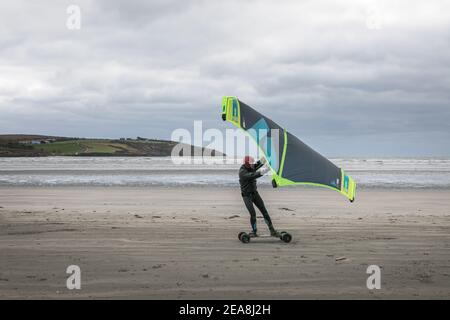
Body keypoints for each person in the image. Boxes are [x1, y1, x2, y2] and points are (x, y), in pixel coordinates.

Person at [239, 156, 278, 236]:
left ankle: (272, 230)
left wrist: (269, 157)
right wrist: (266, 170)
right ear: (247, 164)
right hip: (247, 196)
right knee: (253, 214)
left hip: (255, 194)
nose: (253, 165)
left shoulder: (251, 166)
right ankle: (254, 231)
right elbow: (253, 175)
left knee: (264, 212)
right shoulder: (242, 172)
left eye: (253, 163)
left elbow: (260, 163)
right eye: (251, 164)